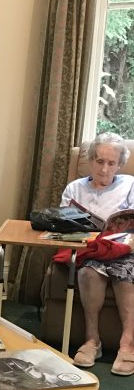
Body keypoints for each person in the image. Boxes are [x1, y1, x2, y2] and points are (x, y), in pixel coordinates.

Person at [59, 132, 134, 375]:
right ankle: (92, 341)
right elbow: (62, 226)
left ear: (120, 164)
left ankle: (128, 344)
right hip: (91, 251)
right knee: (88, 273)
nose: (104, 169)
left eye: (111, 163)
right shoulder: (74, 189)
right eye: (99, 161)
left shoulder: (130, 185)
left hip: (124, 249)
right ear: (90, 161)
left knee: (126, 273)